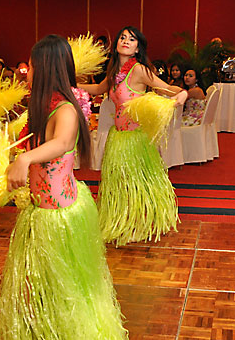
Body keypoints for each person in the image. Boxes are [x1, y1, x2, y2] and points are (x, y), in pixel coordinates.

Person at [0, 34, 132, 340]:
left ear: (46, 68)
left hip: (58, 218)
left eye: (31, 65)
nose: (27, 71)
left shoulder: (65, 108)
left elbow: (63, 143)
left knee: (68, 292)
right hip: (40, 213)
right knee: (40, 291)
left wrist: (25, 158)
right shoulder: (42, 107)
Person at [79, 26, 187, 246]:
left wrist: (183, 93)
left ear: (138, 48)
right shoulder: (114, 72)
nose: (126, 41)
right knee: (119, 183)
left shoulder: (139, 70)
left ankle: (139, 224)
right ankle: (124, 222)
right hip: (118, 137)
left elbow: (168, 89)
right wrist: (71, 85)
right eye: (122, 37)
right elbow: (98, 89)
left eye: (132, 39)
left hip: (136, 138)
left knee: (136, 183)